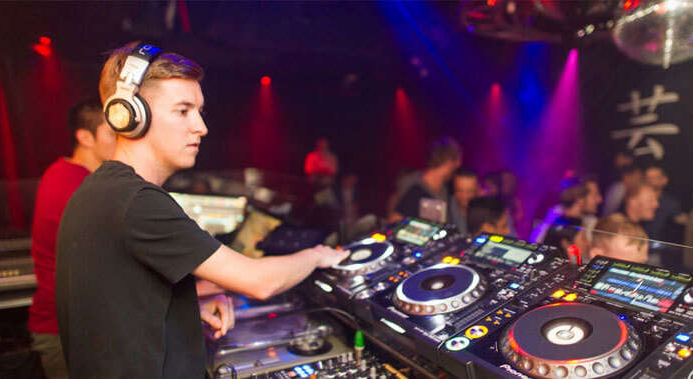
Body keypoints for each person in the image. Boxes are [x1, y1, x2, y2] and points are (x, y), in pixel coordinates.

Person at [55, 43, 348, 378]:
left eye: (200, 111)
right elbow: (259, 282)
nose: (201, 127)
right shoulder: (136, 201)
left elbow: (118, 304)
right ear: (130, 114)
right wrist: (318, 256)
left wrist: (184, 309)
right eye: (183, 111)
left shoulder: (104, 189)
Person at [27, 98, 116, 379]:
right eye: (112, 134)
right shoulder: (76, 184)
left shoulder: (64, 172)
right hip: (65, 333)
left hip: (69, 328)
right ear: (85, 137)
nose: (122, 140)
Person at [390, 137, 461, 222]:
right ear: (449, 162)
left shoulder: (445, 190)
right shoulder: (414, 187)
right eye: (457, 163)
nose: (457, 167)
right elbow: (394, 221)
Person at [641, 164, 686, 242]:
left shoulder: (670, 204)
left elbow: (680, 222)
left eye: (654, 178)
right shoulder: (635, 198)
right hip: (636, 240)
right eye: (646, 178)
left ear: (664, 180)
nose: (649, 181)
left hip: (659, 247)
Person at [448, 168, 479, 235]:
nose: (464, 196)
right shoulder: (446, 207)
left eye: (469, 191)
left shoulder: (485, 211)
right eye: (459, 190)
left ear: (477, 190)